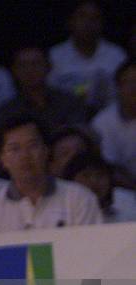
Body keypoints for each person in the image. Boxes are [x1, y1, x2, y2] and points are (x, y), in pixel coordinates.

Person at [0, 114, 102, 232]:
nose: (25, 156)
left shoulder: (79, 198)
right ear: (2, 159)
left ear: (46, 151)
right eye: (14, 149)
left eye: (32, 146)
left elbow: (89, 249)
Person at [48, 1, 126, 110]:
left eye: (95, 18)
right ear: (70, 21)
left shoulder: (116, 55)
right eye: (82, 16)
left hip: (109, 118)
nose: (88, 23)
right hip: (66, 119)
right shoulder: (56, 56)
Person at [0, 46, 88, 130]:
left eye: (35, 63)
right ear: (14, 71)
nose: (30, 70)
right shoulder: (6, 113)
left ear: (48, 67)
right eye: (23, 65)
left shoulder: (69, 103)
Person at [91, 59, 136, 190]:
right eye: (129, 82)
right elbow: (109, 167)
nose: (134, 88)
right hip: (121, 191)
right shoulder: (102, 122)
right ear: (118, 87)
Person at [62, 152, 136, 223]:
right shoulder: (61, 205)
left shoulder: (126, 200)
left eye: (100, 175)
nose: (94, 181)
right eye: (86, 176)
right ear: (71, 180)